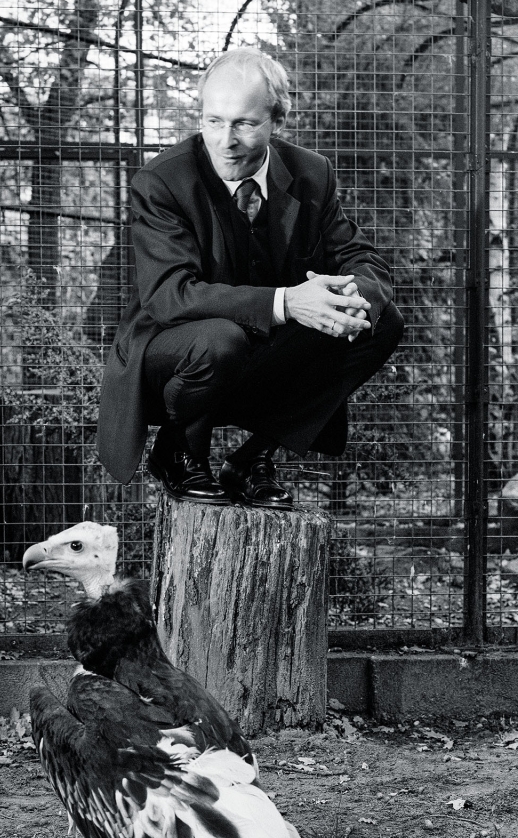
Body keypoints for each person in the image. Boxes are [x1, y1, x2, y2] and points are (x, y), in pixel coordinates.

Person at [96, 47, 403, 508]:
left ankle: (252, 458)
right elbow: (169, 296)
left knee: (383, 321)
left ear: (277, 119)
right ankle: (178, 451)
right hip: (173, 356)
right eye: (213, 121)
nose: (226, 140)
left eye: (244, 123)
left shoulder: (311, 174)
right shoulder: (161, 181)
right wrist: (288, 302)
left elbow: (361, 257)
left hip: (261, 356)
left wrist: (350, 296)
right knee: (220, 338)